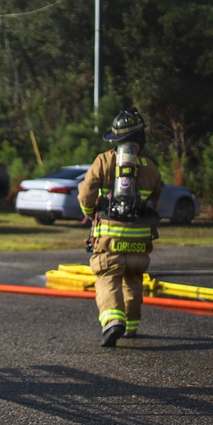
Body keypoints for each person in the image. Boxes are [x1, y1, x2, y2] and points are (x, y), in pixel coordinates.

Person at [77, 108, 163, 347]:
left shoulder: (104, 161)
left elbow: (86, 194)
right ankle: (132, 327)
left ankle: (113, 321)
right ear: (139, 138)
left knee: (107, 277)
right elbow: (155, 199)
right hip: (140, 238)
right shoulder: (150, 166)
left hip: (109, 236)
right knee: (133, 278)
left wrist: (90, 213)